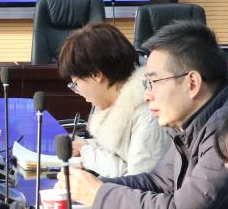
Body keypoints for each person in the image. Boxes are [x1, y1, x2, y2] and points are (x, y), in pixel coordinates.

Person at [62, 21, 228, 209]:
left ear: (192, 83)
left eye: (154, 82)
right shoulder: (194, 123)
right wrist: (93, 184)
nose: (147, 95)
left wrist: (99, 194)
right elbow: (158, 181)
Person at [57, 22, 170, 177]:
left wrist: (87, 154)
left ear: (96, 75)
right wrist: (87, 146)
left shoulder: (149, 113)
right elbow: (117, 153)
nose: (78, 91)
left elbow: (139, 180)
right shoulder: (114, 102)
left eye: (76, 84)